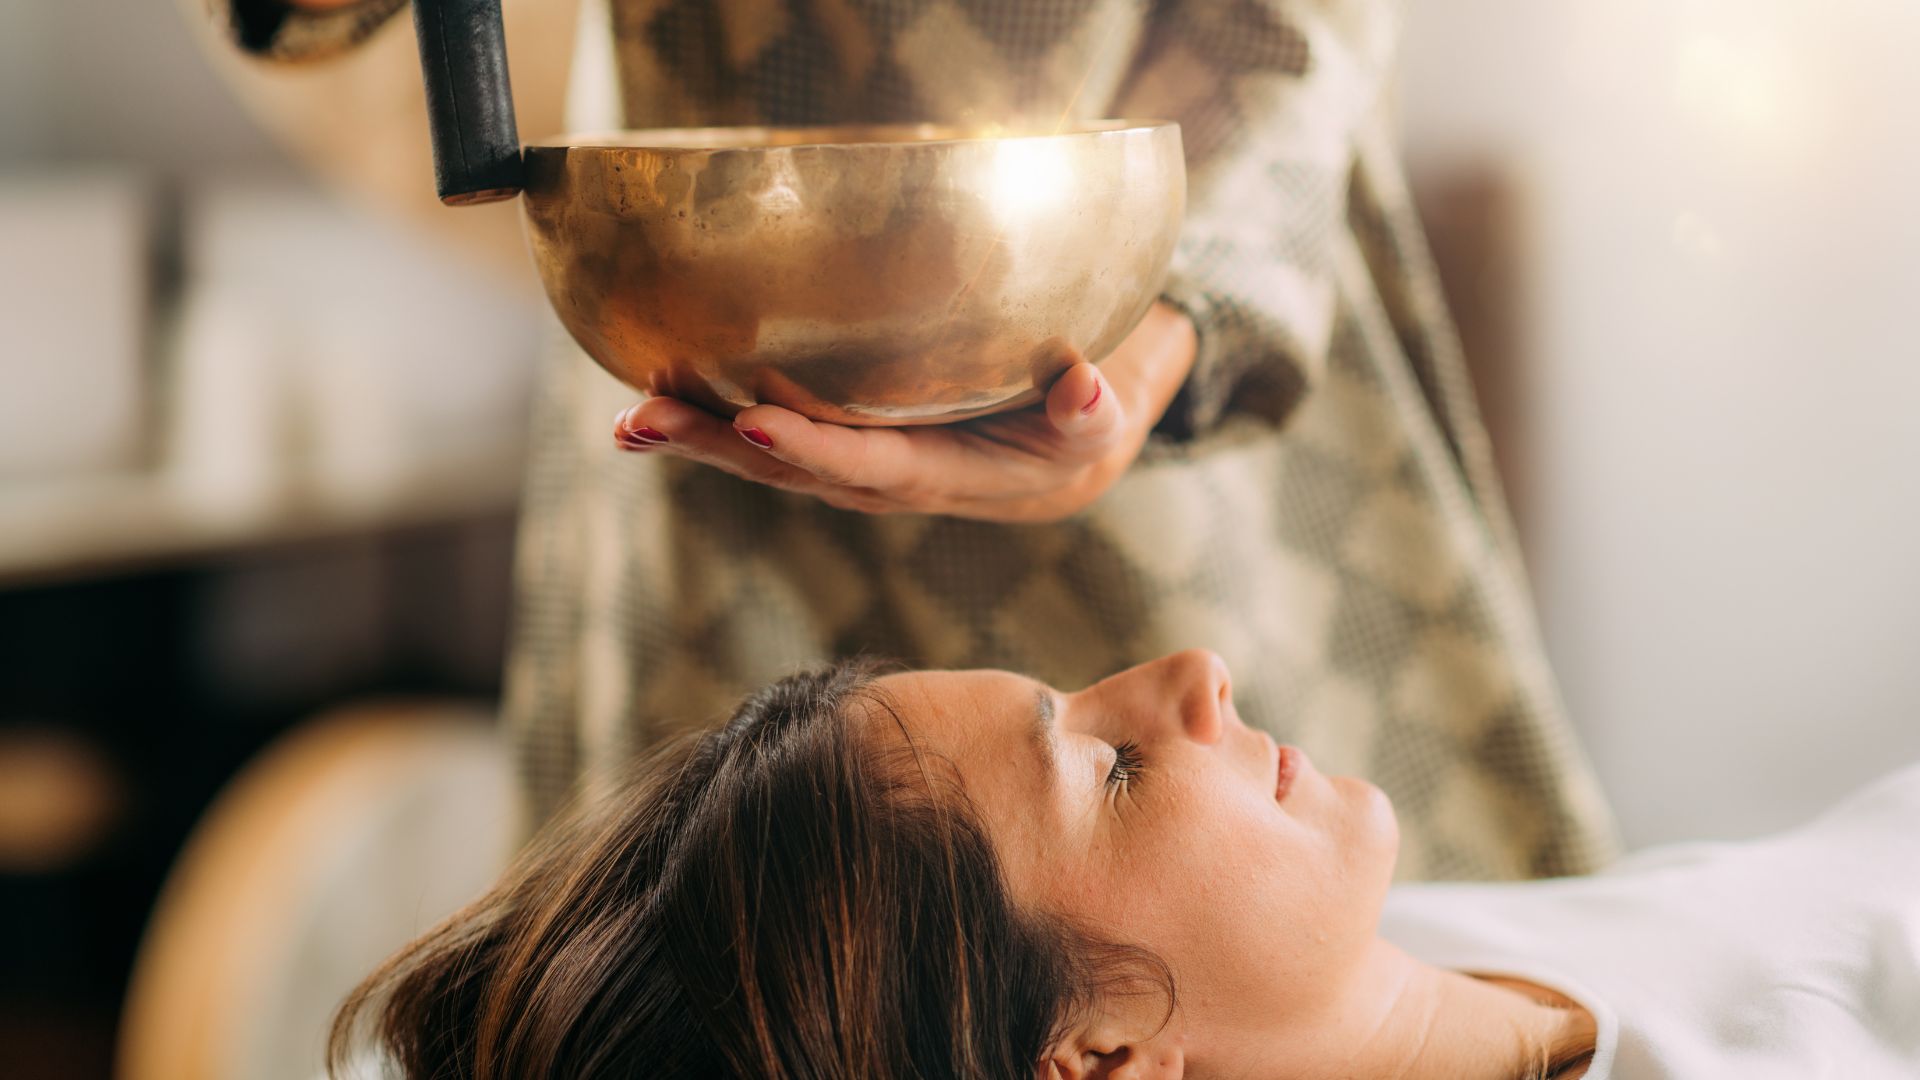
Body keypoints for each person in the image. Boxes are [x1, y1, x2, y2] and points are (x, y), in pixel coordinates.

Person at [207, 0, 1617, 881]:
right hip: (690, 400)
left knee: (1271, 948)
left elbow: (1296, 23)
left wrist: (1164, 334)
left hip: (1149, 368)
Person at [331, 652, 1920, 1079]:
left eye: (1080, 699)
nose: (1197, 673)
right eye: (1116, 768)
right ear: (1093, 1055)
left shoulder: (1382, 973)